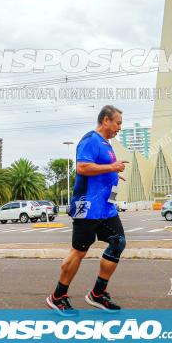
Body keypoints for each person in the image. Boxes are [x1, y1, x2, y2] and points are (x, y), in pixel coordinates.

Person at [46, 105, 128, 316]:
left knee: (118, 241)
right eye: (118, 122)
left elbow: (99, 169)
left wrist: (112, 176)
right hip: (88, 207)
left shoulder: (106, 144)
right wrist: (112, 168)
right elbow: (83, 167)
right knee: (80, 250)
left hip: (105, 207)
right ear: (106, 120)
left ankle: (98, 294)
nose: (120, 127)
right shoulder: (90, 139)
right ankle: (57, 296)